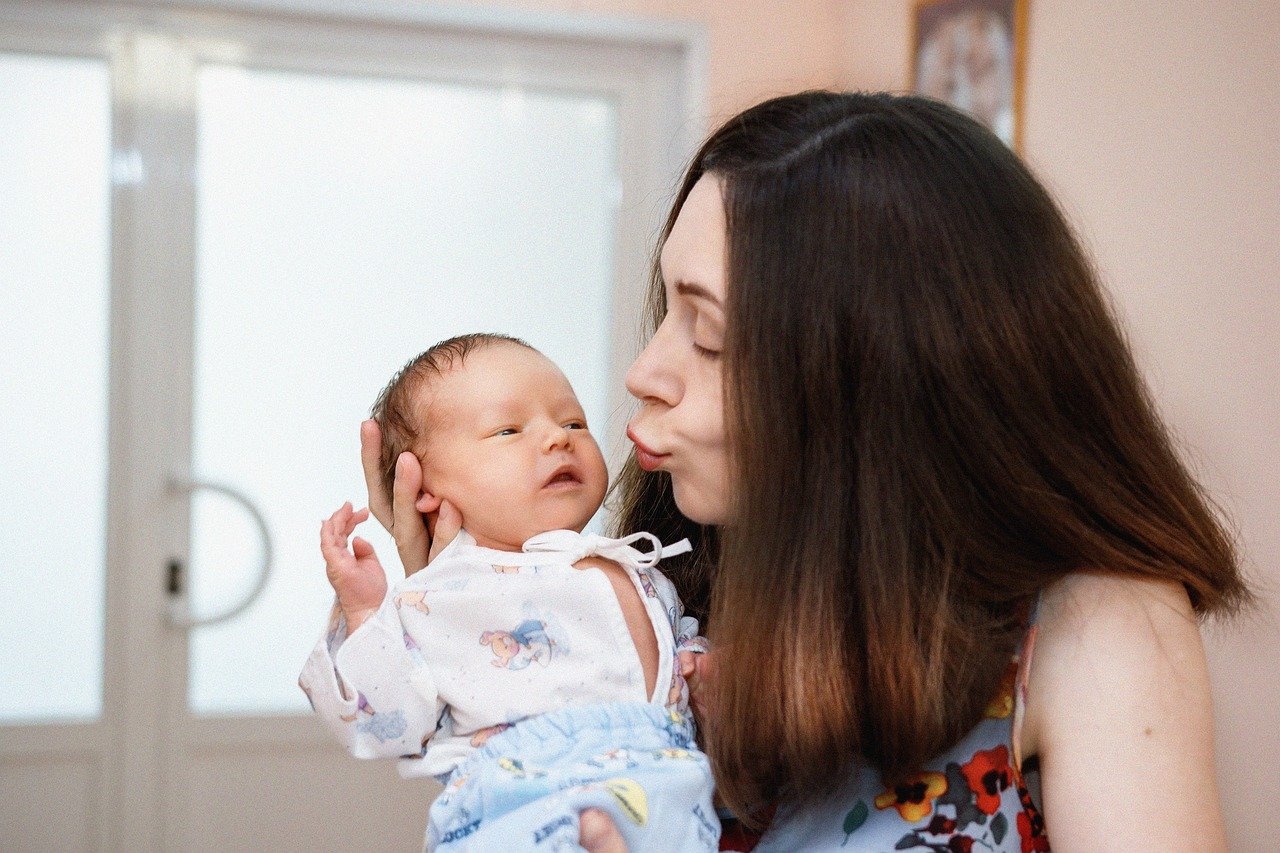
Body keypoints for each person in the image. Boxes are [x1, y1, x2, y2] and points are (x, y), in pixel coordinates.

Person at [363, 91, 1249, 851]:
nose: (644, 372)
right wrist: (467, 604)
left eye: (709, 335)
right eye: (668, 310)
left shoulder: (1094, 625)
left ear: (871, 381)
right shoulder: (682, 575)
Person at [300, 334, 716, 851]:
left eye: (574, 423)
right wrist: (365, 611)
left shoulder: (637, 564)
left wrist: (697, 666)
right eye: (508, 430)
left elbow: (674, 653)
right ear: (425, 489)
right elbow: (384, 722)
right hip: (517, 794)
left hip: (662, 783)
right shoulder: (442, 594)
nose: (558, 438)